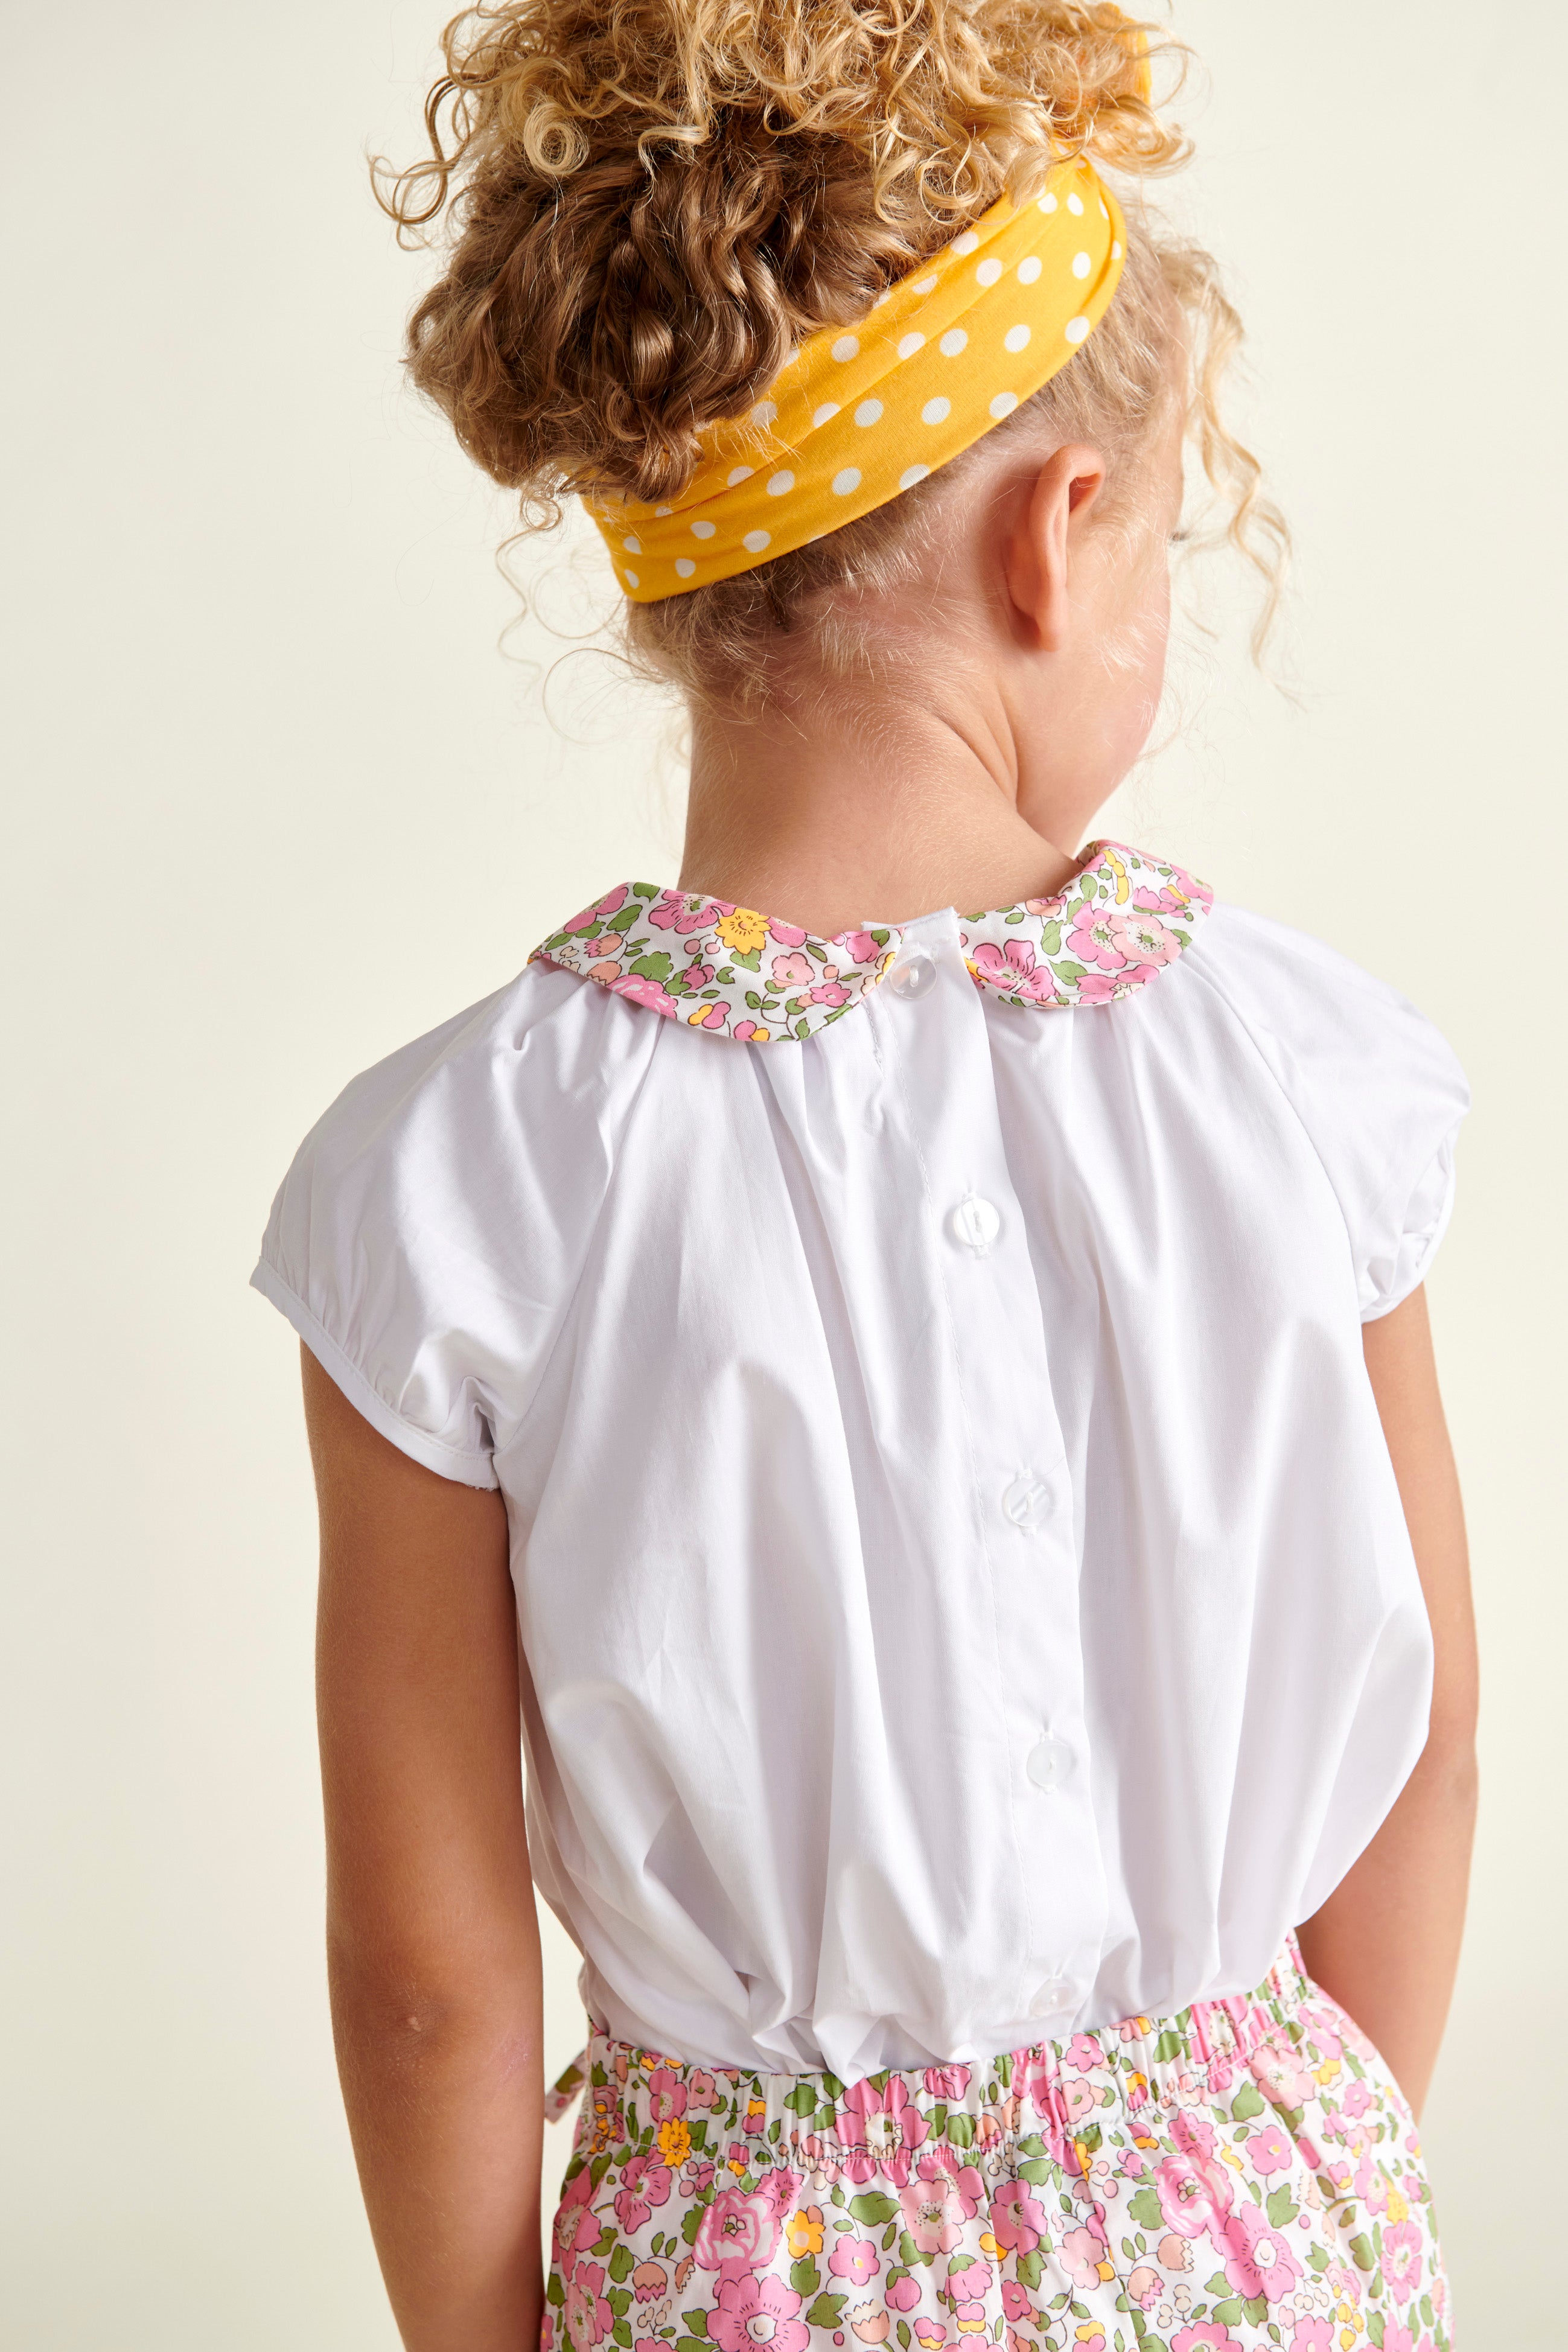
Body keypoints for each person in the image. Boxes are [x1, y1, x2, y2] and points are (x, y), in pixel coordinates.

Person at [252, 7, 1476, 2349]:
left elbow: (424, 1973)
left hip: (749, 2287)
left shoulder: (449, 1184)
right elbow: (1422, 1746)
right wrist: (1294, 2182)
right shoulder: (1303, 1072)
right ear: (1061, 536)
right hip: (1265, 2235)